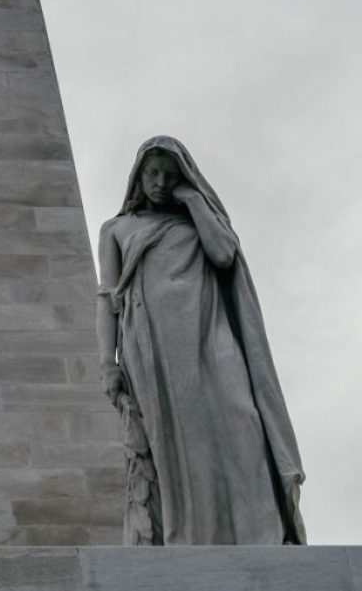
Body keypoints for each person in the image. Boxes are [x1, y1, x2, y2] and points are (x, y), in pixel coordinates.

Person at [96, 136, 305, 545]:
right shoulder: (117, 229)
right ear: (138, 176)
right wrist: (108, 362)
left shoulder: (195, 220)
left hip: (209, 333)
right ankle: (190, 540)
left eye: (170, 175)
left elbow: (224, 254)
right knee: (176, 447)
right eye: (152, 173)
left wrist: (193, 201)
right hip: (153, 347)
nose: (159, 182)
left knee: (242, 421)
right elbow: (107, 297)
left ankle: (263, 537)